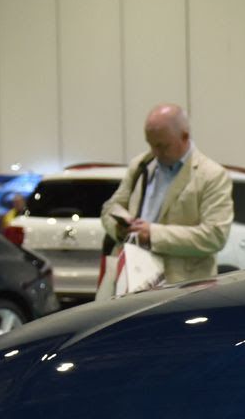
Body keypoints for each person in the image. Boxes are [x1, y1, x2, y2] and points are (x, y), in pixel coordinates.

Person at [100, 103, 233, 284]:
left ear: (185, 136)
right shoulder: (140, 165)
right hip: (132, 281)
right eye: (151, 144)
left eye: (163, 146)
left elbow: (214, 236)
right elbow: (110, 208)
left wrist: (152, 234)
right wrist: (120, 228)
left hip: (183, 288)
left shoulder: (212, 175)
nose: (155, 152)